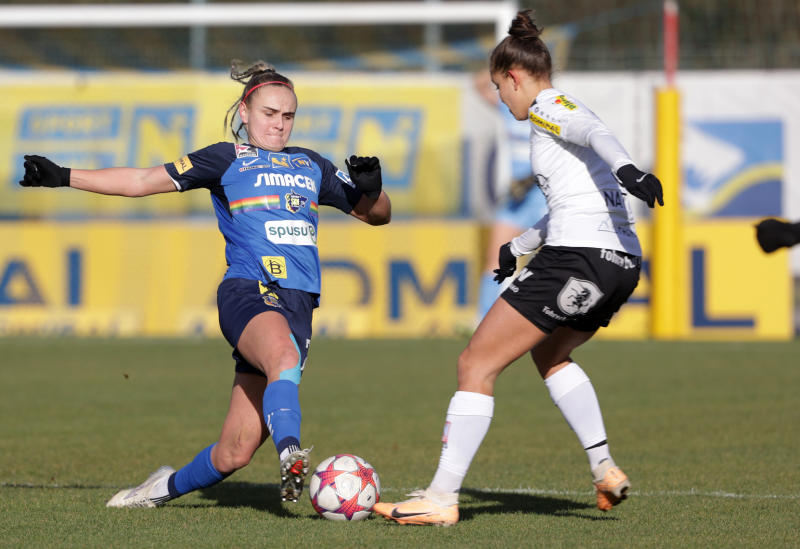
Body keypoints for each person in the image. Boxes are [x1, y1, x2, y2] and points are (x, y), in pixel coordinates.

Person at [18, 61, 391, 508]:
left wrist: (372, 189)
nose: (279, 124)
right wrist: (64, 176)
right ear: (245, 112)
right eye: (269, 113)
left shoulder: (311, 165)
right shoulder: (225, 158)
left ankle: (157, 490)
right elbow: (141, 180)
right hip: (248, 290)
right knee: (284, 358)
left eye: (288, 115)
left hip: (297, 305)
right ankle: (291, 453)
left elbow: (377, 215)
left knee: (235, 451)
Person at [373, 10, 662, 526]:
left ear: (513, 77)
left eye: (498, 88)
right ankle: (604, 467)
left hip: (576, 259)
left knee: (475, 364)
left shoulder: (550, 107)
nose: (502, 100)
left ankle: (441, 497)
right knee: (550, 354)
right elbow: (573, 202)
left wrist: (629, 170)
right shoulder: (559, 116)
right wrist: (519, 246)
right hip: (618, 263)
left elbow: (595, 132)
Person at [474, 71, 549, 321]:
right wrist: (503, 64)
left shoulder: (550, 110)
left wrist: (532, 177)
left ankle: (544, 321)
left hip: (545, 197)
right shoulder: (510, 108)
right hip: (516, 198)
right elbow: (479, 84)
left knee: (548, 263)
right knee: (496, 258)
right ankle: (485, 320)